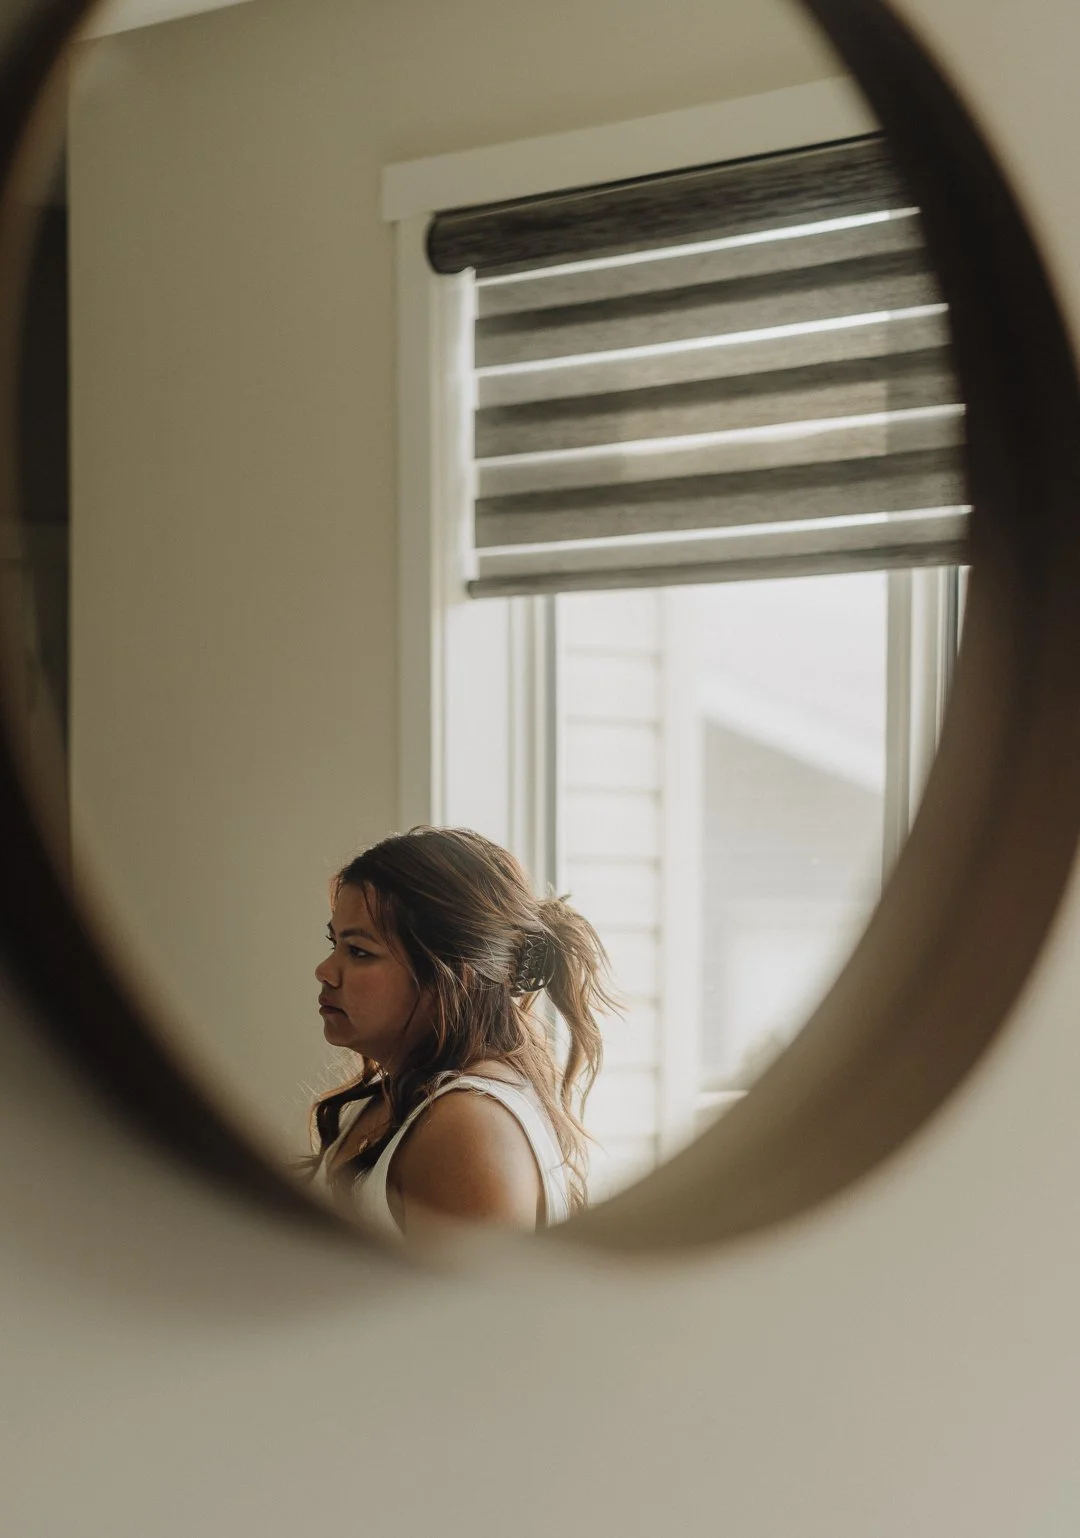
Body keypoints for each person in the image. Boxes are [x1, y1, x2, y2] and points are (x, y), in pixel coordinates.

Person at [305, 826, 615, 1241]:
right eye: (335, 944)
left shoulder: (467, 1127)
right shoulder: (403, 1093)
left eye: (359, 951)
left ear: (455, 977)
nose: (325, 971)